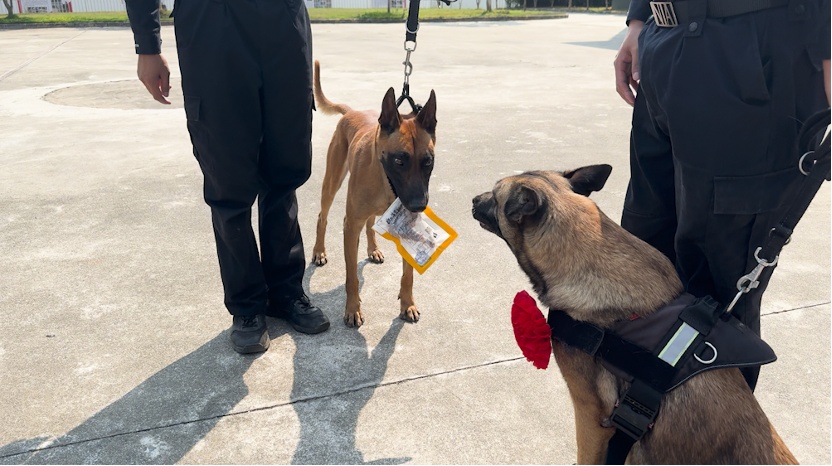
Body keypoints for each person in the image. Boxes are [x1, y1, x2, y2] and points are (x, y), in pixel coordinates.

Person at [613, 0, 830, 389]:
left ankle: (714, 427)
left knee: (718, 293)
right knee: (643, 261)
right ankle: (648, 415)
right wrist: (641, 19)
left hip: (748, 46)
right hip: (663, 45)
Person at [125, 0, 330, 354]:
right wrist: (147, 43)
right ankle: (246, 306)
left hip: (283, 22)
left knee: (286, 169)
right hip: (212, 25)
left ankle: (285, 291)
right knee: (228, 181)